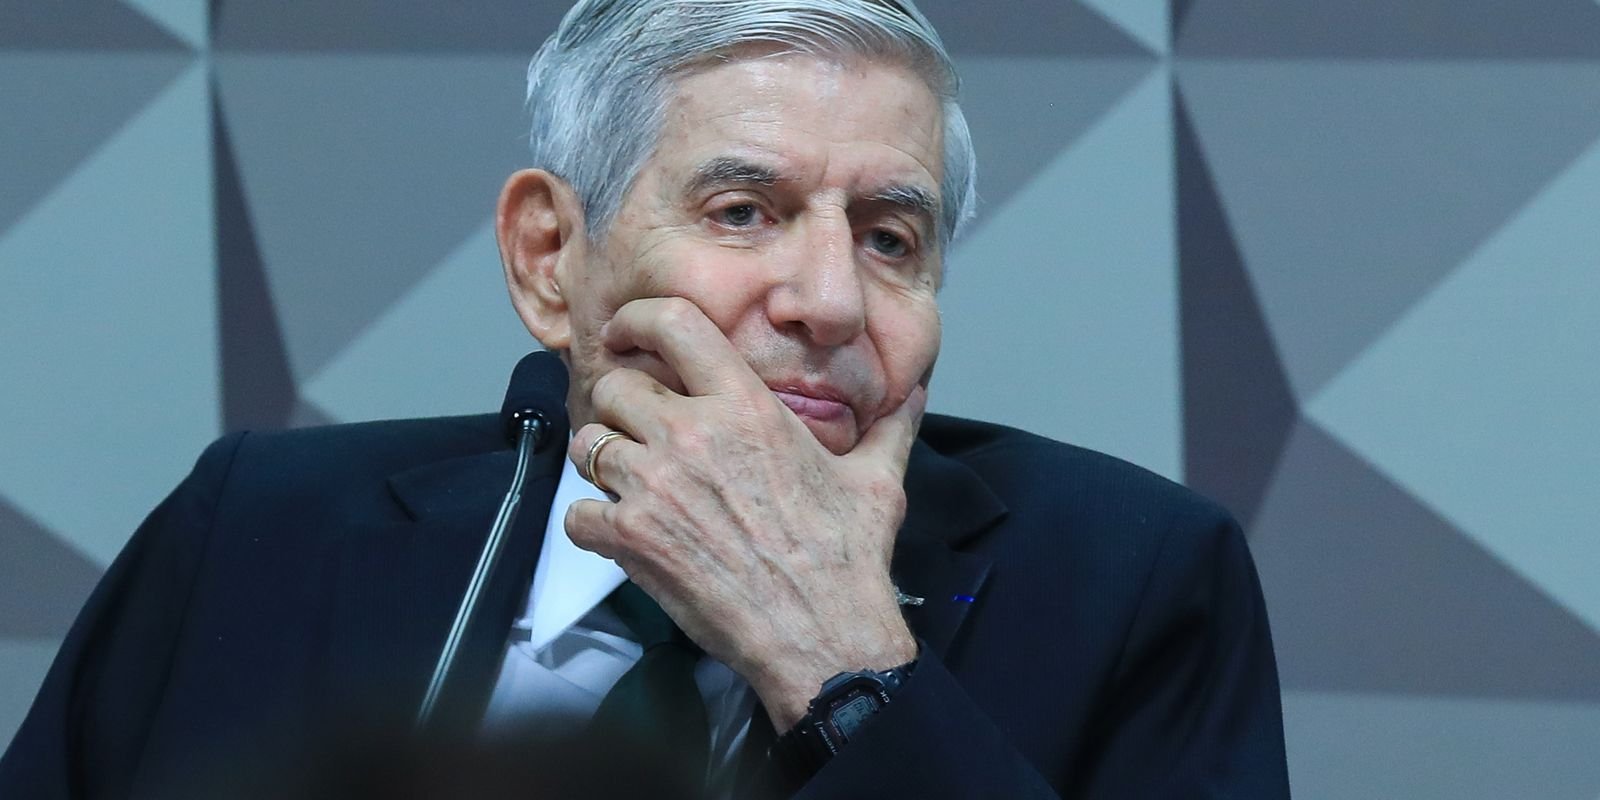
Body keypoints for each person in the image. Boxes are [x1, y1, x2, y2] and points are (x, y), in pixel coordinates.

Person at [0, 1, 1290, 797]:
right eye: (744, 212)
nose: (830, 300)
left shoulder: (1133, 581)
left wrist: (842, 664)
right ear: (549, 260)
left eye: (891, 237)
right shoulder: (263, 529)